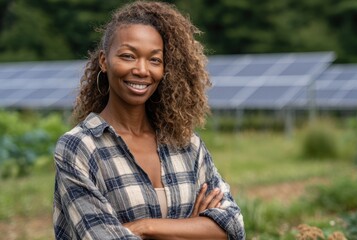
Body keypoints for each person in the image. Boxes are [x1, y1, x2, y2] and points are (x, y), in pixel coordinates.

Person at [52, 1, 245, 239]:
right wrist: (191, 228)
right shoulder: (80, 148)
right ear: (104, 61)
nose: (142, 70)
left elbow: (233, 227)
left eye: (155, 60)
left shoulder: (186, 144)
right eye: (128, 56)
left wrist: (144, 227)